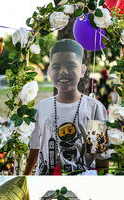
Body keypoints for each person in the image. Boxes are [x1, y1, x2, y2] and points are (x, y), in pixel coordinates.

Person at [25, 39, 109, 175]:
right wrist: (26, 176)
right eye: (56, 67)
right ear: (49, 71)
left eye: (70, 66)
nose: (63, 71)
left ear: (82, 71)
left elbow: (100, 156)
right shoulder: (42, 107)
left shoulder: (94, 108)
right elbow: (34, 148)